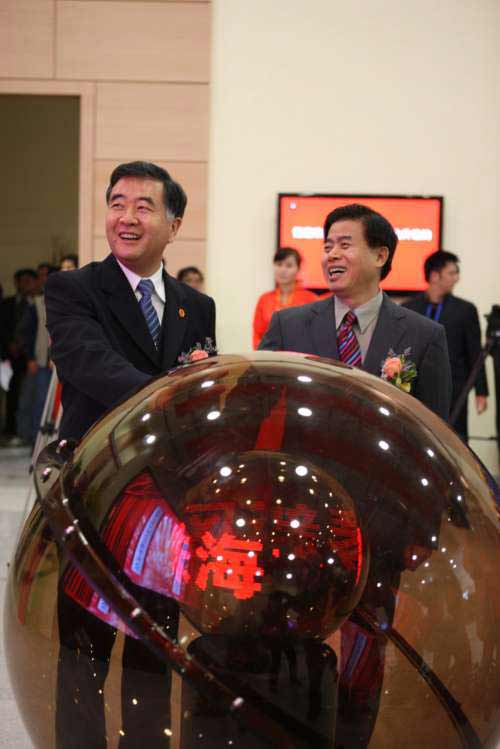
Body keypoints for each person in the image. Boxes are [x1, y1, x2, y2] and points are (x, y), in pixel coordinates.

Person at [45, 160, 216, 748]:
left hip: (165, 502)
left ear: (175, 224)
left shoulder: (198, 306)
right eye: (118, 203)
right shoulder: (74, 289)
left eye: (145, 206)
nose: (127, 217)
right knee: (84, 651)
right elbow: (87, 364)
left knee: (154, 646)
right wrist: (171, 392)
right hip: (95, 489)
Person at [260, 204, 451, 420]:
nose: (332, 255)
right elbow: (257, 403)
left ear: (380, 256)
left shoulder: (424, 336)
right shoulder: (287, 326)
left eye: (345, 245)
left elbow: (433, 428)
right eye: (328, 247)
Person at [403, 250, 488, 441]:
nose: (457, 278)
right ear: (435, 275)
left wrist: (481, 392)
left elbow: (475, 353)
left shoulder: (465, 310)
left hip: (455, 390)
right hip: (415, 390)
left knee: (455, 440)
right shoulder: (409, 308)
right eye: (452, 272)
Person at [0, 268, 38, 443]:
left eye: (29, 281)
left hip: (30, 356)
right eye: (22, 281)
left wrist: (23, 346)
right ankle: (10, 429)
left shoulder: (37, 302)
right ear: (16, 283)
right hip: (8, 355)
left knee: (30, 393)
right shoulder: (7, 304)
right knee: (11, 393)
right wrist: (10, 344)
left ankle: (27, 431)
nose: (25, 284)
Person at [252, 247, 317, 349]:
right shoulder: (264, 299)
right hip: (268, 356)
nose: (283, 270)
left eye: (289, 265)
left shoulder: (311, 299)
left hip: (300, 357)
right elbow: (257, 336)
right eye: (279, 264)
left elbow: (316, 336)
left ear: (298, 268)